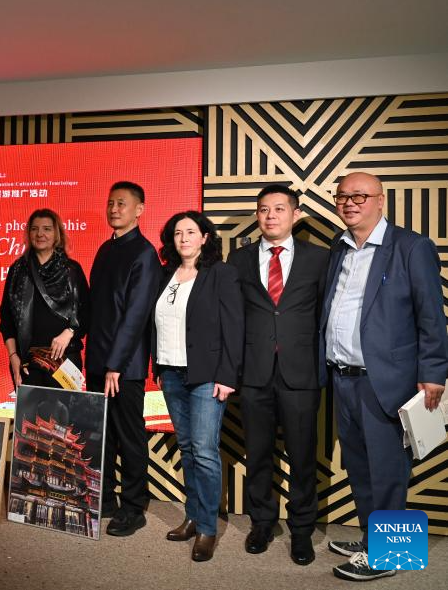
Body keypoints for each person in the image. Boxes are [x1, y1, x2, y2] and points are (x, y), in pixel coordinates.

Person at [320, 172, 447, 582]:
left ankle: (391, 556)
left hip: (387, 381)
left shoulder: (411, 247)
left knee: (388, 470)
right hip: (343, 378)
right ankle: (372, 540)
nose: (350, 203)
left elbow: (431, 316)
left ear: (381, 200)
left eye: (360, 196)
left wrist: (433, 373)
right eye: (343, 196)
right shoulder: (339, 248)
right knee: (360, 468)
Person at [227, 185, 328, 565]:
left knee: (303, 457)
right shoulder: (238, 259)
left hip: (301, 372)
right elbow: (233, 316)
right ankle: (262, 523)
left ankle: (302, 530)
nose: (271, 216)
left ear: (295, 214)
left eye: (279, 209)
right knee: (258, 454)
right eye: (264, 209)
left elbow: (326, 314)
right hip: (254, 372)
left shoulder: (319, 258)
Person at [152, 211, 243, 562]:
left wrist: (227, 376)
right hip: (171, 373)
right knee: (188, 448)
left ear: (205, 237)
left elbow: (234, 326)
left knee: (204, 450)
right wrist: (159, 366)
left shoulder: (221, 273)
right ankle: (193, 516)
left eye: (191, 232)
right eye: (178, 233)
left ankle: (207, 527)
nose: (184, 238)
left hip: (207, 375)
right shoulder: (166, 275)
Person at [86, 181, 162, 536]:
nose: (114, 209)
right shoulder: (105, 249)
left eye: (122, 203)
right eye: (111, 203)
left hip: (124, 367)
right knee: (101, 435)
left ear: (139, 210)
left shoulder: (145, 254)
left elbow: (136, 316)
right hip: (98, 362)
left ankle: (134, 507)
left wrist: (115, 365)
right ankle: (104, 499)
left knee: (130, 437)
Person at [0, 208, 89, 389]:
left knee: (64, 408)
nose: (40, 234)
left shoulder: (71, 270)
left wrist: (69, 332)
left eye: (47, 229)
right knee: (30, 409)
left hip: (64, 360)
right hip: (26, 363)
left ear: (57, 234)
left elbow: (87, 312)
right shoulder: (17, 270)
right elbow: (6, 319)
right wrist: (13, 356)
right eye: (34, 229)